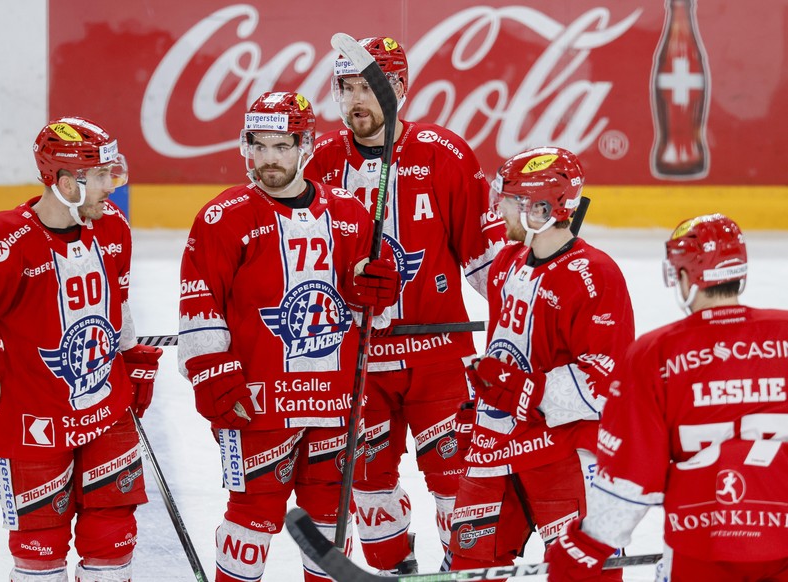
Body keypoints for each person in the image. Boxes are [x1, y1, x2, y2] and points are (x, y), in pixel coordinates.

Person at [0, 117, 163, 582]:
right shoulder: (1, 238)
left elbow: (120, 303)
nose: (110, 187)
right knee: (40, 547)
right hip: (31, 415)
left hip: (105, 408)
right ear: (64, 182)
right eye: (99, 177)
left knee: (113, 539)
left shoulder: (112, 227)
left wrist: (130, 358)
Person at [178, 91, 400, 582]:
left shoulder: (349, 213)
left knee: (327, 526)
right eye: (259, 145)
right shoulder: (223, 217)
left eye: (282, 146)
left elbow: (370, 314)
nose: (269, 159)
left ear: (305, 146)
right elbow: (199, 305)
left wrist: (380, 292)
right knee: (250, 523)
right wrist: (212, 374)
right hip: (257, 403)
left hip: (335, 401)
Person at [305, 36, 507, 574]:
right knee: (367, 483)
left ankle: (462, 569)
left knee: (456, 479)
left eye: (369, 87)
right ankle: (395, 569)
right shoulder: (321, 161)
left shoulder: (445, 153)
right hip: (357, 361)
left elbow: (486, 259)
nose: (355, 101)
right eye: (346, 88)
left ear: (400, 89)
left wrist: (529, 324)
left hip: (439, 355)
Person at [545, 214, 788, 582]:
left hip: (701, 550)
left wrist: (589, 544)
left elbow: (631, 475)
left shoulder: (655, 353)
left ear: (687, 277)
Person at [448, 146, 634, 577]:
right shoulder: (506, 265)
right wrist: (479, 411)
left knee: (583, 572)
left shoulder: (595, 275)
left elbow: (606, 379)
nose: (499, 211)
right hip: (494, 445)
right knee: (469, 566)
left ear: (542, 208)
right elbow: (504, 351)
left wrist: (523, 390)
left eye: (509, 201)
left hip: (561, 451)